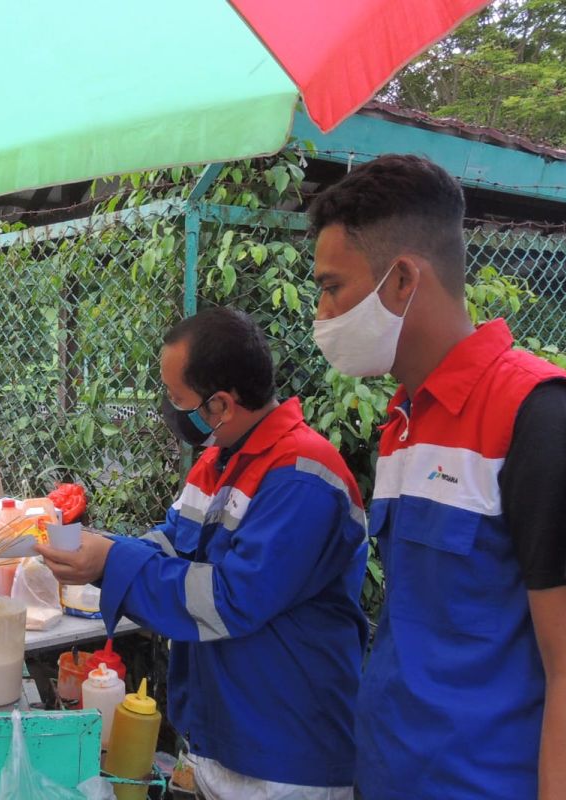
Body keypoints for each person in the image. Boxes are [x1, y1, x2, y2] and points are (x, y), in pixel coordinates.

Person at [308, 154, 566, 800]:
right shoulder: (405, 421)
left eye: (333, 287)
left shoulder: (541, 418)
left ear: (402, 281)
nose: (321, 313)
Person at [38, 307, 368, 798]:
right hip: (226, 729)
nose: (171, 410)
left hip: (286, 749)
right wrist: (102, 548)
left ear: (220, 405)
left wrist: (112, 562)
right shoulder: (221, 461)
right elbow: (173, 541)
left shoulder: (302, 478)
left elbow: (231, 599)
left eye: (177, 399)